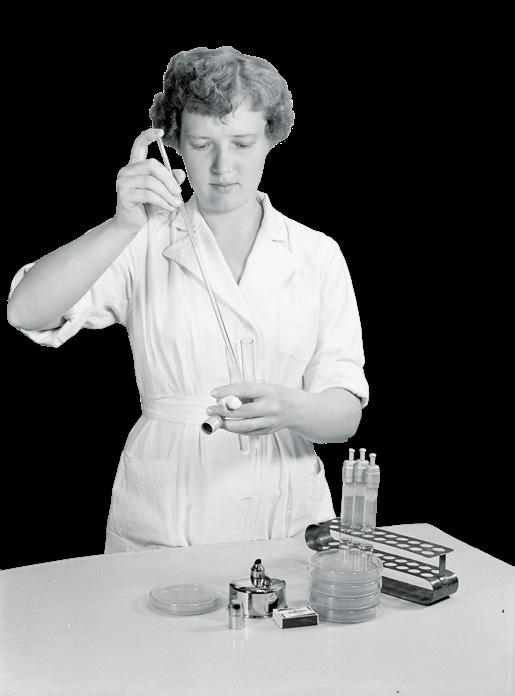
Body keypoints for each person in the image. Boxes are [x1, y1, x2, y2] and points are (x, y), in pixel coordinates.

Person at [7, 46, 369, 552]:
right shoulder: (143, 239)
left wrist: (292, 407)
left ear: (272, 136)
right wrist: (122, 225)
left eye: (242, 143)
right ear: (173, 141)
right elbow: (26, 311)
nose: (223, 166)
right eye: (202, 144)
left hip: (286, 512)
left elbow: (345, 414)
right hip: (166, 516)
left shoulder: (317, 254)